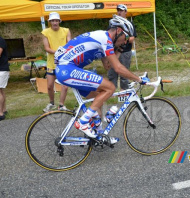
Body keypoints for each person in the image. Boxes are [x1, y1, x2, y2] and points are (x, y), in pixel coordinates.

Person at [54, 15, 149, 144]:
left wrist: (120, 50)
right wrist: (138, 79)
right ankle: (82, 122)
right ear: (119, 31)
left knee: (98, 98)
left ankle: (100, 135)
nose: (126, 41)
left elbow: (107, 66)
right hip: (67, 70)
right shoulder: (104, 39)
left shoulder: (104, 40)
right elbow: (118, 68)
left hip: (67, 69)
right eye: (126, 37)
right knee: (110, 87)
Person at [41, 12, 71, 112]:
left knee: (65, 86)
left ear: (59, 21)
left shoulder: (66, 30)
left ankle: (61, 105)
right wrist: (59, 52)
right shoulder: (45, 32)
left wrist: (64, 52)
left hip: (63, 62)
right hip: (51, 63)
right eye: (52, 21)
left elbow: (69, 44)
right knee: (49, 86)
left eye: (56, 20)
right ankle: (51, 103)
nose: (54, 23)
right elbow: (46, 48)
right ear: (49, 22)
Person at [108, 4, 137, 91]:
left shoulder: (129, 24)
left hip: (125, 51)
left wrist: (124, 40)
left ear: (126, 12)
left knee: (124, 73)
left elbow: (132, 38)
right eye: (118, 10)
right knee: (112, 73)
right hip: (113, 51)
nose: (119, 12)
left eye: (121, 10)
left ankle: (124, 91)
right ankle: (111, 92)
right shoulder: (113, 23)